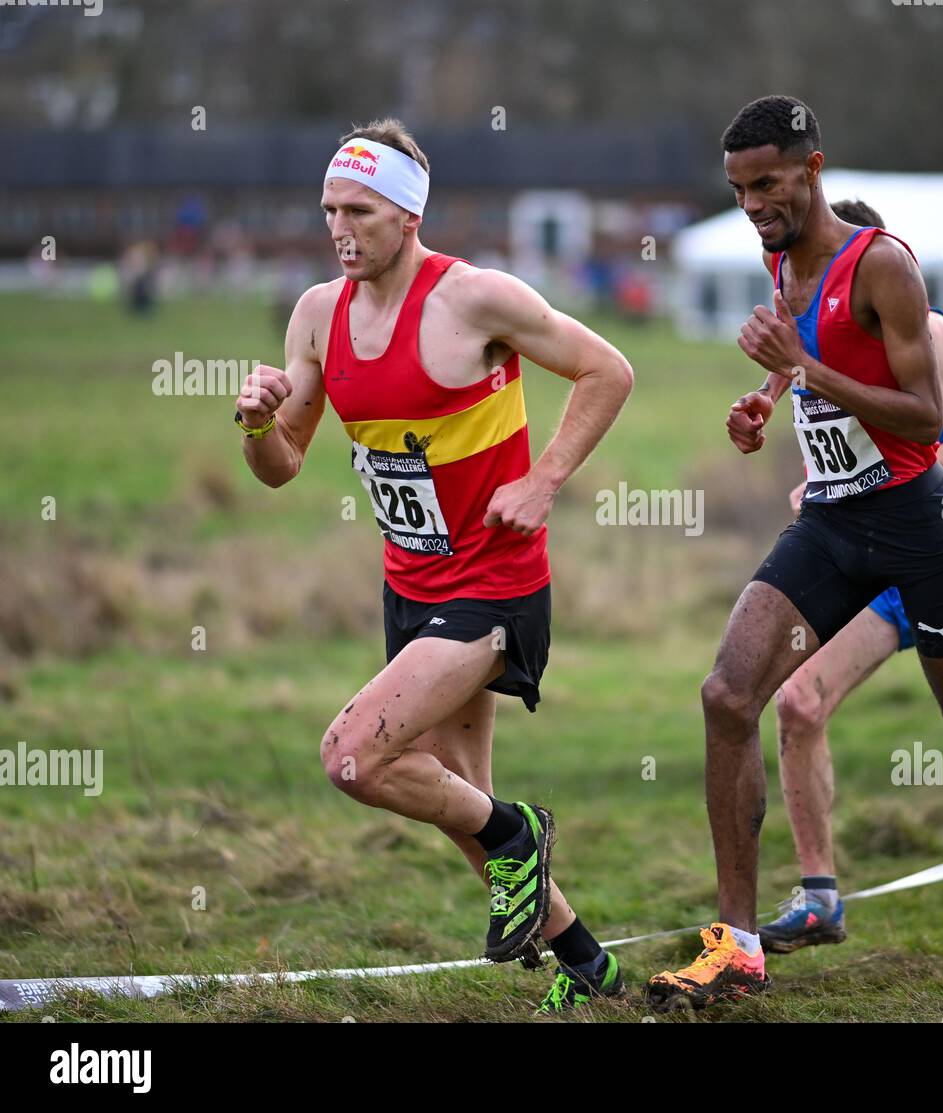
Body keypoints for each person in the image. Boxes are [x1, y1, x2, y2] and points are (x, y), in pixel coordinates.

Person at [646, 97, 943, 1012]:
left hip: (923, 524)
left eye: (767, 184)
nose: (753, 204)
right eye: (738, 189)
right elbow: (804, 369)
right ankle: (739, 942)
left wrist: (808, 366)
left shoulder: (885, 266)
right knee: (728, 695)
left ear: (812, 168)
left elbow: (922, 418)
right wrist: (765, 400)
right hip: (833, 523)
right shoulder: (778, 259)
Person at [236, 119, 634, 1013]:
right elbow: (282, 465)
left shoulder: (476, 299)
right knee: (468, 813)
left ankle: (523, 833)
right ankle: (592, 973)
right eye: (330, 209)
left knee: (354, 759)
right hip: (409, 584)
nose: (341, 229)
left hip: (495, 587)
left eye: (361, 212)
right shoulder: (315, 314)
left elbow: (607, 370)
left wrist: (543, 479)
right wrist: (260, 423)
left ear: (408, 216)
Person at [758, 198, 943, 952]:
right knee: (799, 701)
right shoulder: (809, 341)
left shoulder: (928, 330)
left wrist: (863, 482)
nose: (801, 288)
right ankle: (820, 896)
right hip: (869, 555)